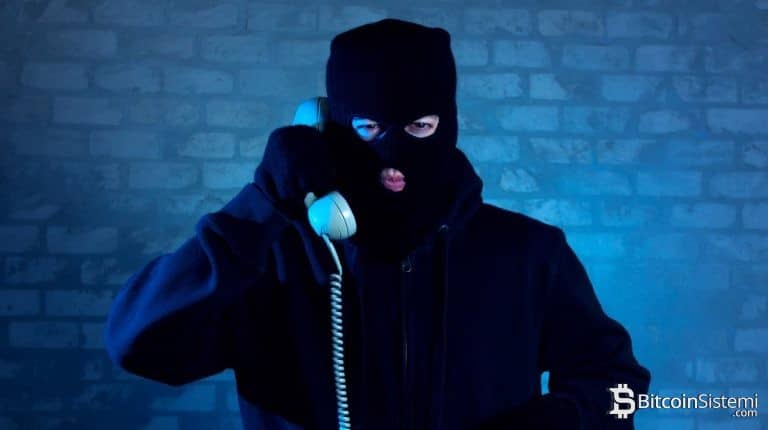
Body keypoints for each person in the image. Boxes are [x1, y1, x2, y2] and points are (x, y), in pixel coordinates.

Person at [104, 18, 651, 430]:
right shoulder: (274, 256)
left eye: (420, 127)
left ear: (447, 124)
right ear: (329, 127)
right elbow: (138, 345)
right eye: (368, 128)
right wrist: (259, 208)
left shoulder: (527, 252)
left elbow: (618, 384)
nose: (393, 152)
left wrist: (560, 421)